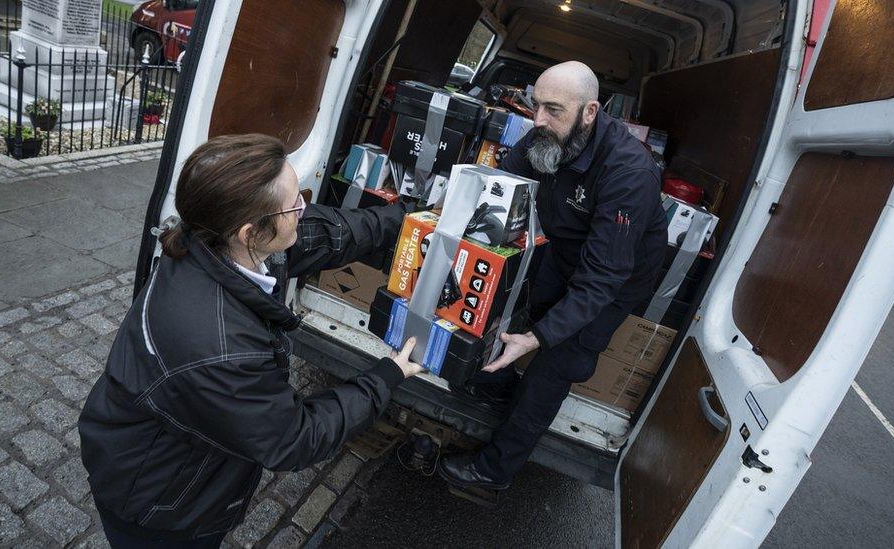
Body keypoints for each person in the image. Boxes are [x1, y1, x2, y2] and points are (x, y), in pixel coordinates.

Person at [78, 133, 423, 547]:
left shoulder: (216, 239)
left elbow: (329, 233)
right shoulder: (222, 349)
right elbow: (293, 439)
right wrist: (387, 375)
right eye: (295, 204)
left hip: (170, 457)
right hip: (161, 502)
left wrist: (408, 220)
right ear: (250, 231)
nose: (304, 209)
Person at [438, 61, 668, 490]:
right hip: (564, 252)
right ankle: (498, 387)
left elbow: (603, 277)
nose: (538, 120)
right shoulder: (547, 132)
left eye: (554, 110)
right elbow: (504, 180)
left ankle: (494, 471)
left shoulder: (630, 173)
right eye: (535, 106)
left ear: (590, 112)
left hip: (613, 278)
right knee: (512, 306)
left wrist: (539, 337)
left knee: (553, 365)